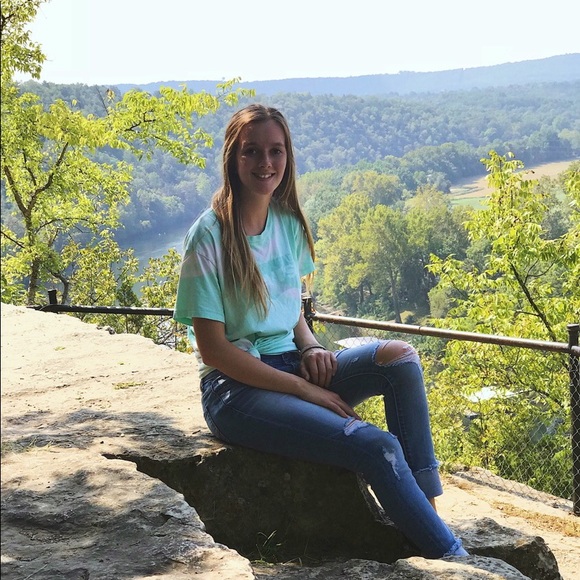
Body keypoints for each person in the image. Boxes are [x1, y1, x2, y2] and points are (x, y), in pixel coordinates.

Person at [173, 103, 468, 559]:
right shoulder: (208, 235)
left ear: (287, 157)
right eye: (252, 151)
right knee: (375, 446)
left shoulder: (287, 223)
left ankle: (426, 518)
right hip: (235, 390)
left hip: (292, 366)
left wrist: (310, 345)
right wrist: (303, 389)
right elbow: (213, 351)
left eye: (276, 151)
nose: (265, 162)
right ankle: (453, 558)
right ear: (233, 157)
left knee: (401, 359)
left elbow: (288, 305)